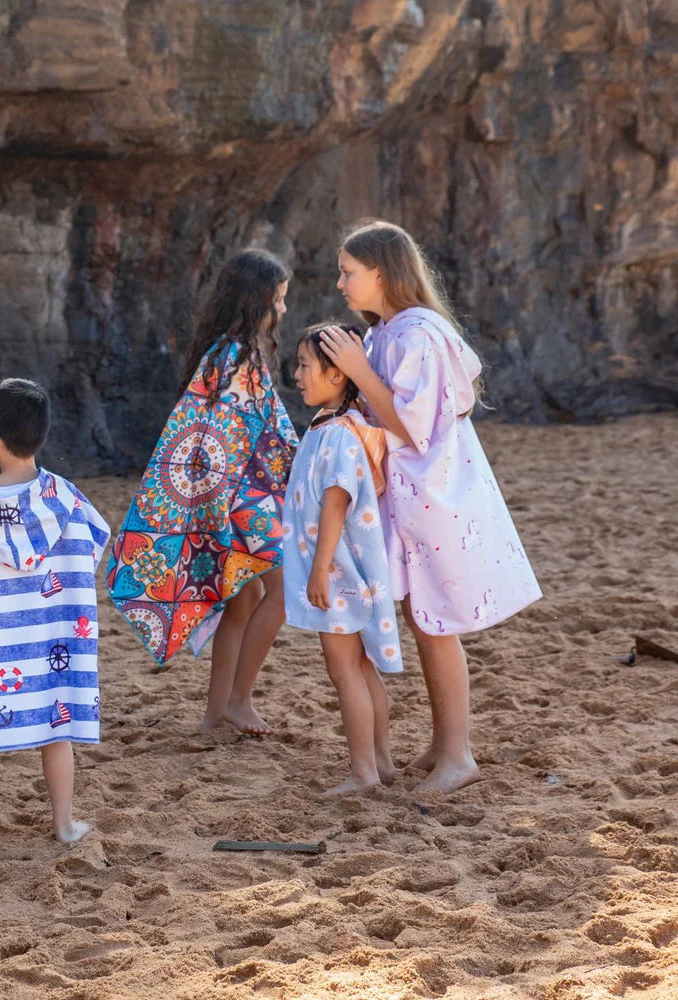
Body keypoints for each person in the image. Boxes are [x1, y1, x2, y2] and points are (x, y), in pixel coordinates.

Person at [320, 219, 542, 794]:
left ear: (380, 272)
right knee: (424, 620)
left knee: (435, 622)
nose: (340, 283)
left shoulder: (418, 334)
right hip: (409, 497)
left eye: (348, 272)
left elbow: (411, 426)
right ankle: (444, 745)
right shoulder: (385, 334)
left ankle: (459, 755)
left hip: (435, 496)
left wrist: (358, 372)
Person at [106, 248, 298, 736]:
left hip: (229, 496)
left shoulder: (222, 351)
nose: (282, 309)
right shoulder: (237, 357)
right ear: (254, 300)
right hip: (238, 499)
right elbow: (227, 441)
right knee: (284, 590)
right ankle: (238, 700)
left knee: (246, 597)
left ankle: (216, 714)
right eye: (277, 299)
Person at [0, 378, 110, 841]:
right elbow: (96, 541)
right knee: (58, 731)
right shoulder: (66, 499)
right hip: (52, 640)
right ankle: (64, 825)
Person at [283, 326, 402, 793]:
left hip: (337, 572)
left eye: (304, 366)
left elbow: (336, 503)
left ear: (336, 374)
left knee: (344, 670)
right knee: (360, 666)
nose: (296, 375)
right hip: (343, 570)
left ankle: (364, 773)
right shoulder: (330, 426)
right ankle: (382, 763)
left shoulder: (338, 435)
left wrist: (319, 571)